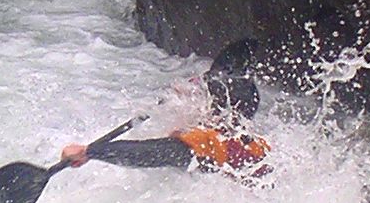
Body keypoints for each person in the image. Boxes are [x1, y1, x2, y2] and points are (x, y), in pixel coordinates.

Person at [59, 66, 269, 178]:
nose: (186, 92)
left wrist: (90, 152)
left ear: (217, 114)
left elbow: (152, 154)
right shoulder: (251, 141)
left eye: (200, 93)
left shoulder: (211, 140)